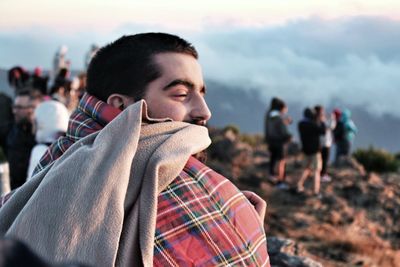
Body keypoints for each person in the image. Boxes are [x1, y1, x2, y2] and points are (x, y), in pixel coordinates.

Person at [0, 33, 269, 267]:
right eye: (180, 94)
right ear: (121, 106)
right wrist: (235, 233)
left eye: (201, 93)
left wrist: (233, 224)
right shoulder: (177, 185)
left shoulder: (58, 159)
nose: (204, 112)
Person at [0, 89, 42, 190]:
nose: (14, 111)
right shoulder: (8, 130)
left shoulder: (42, 136)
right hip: (12, 192)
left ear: (33, 109)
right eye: (14, 107)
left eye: (19, 107)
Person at [26, 100, 69, 179]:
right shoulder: (72, 147)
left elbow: (31, 185)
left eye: (36, 123)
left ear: (43, 124)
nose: (33, 129)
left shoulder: (39, 150)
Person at [264, 97, 292, 189]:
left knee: (273, 159)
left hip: (271, 141)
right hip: (279, 142)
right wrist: (289, 137)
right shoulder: (279, 118)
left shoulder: (269, 115)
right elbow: (283, 131)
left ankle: (272, 176)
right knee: (281, 161)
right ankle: (280, 182)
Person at [297, 108, 326, 196]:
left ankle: (299, 185)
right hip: (315, 151)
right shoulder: (314, 124)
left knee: (306, 169)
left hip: (305, 150)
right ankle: (316, 191)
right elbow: (323, 131)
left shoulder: (301, 124)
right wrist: (322, 121)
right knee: (316, 171)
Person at [314, 105, 334, 182]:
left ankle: (321, 174)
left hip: (319, 143)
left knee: (321, 159)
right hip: (325, 143)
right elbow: (330, 127)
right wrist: (332, 118)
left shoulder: (315, 120)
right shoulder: (321, 121)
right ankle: (323, 175)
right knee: (324, 159)